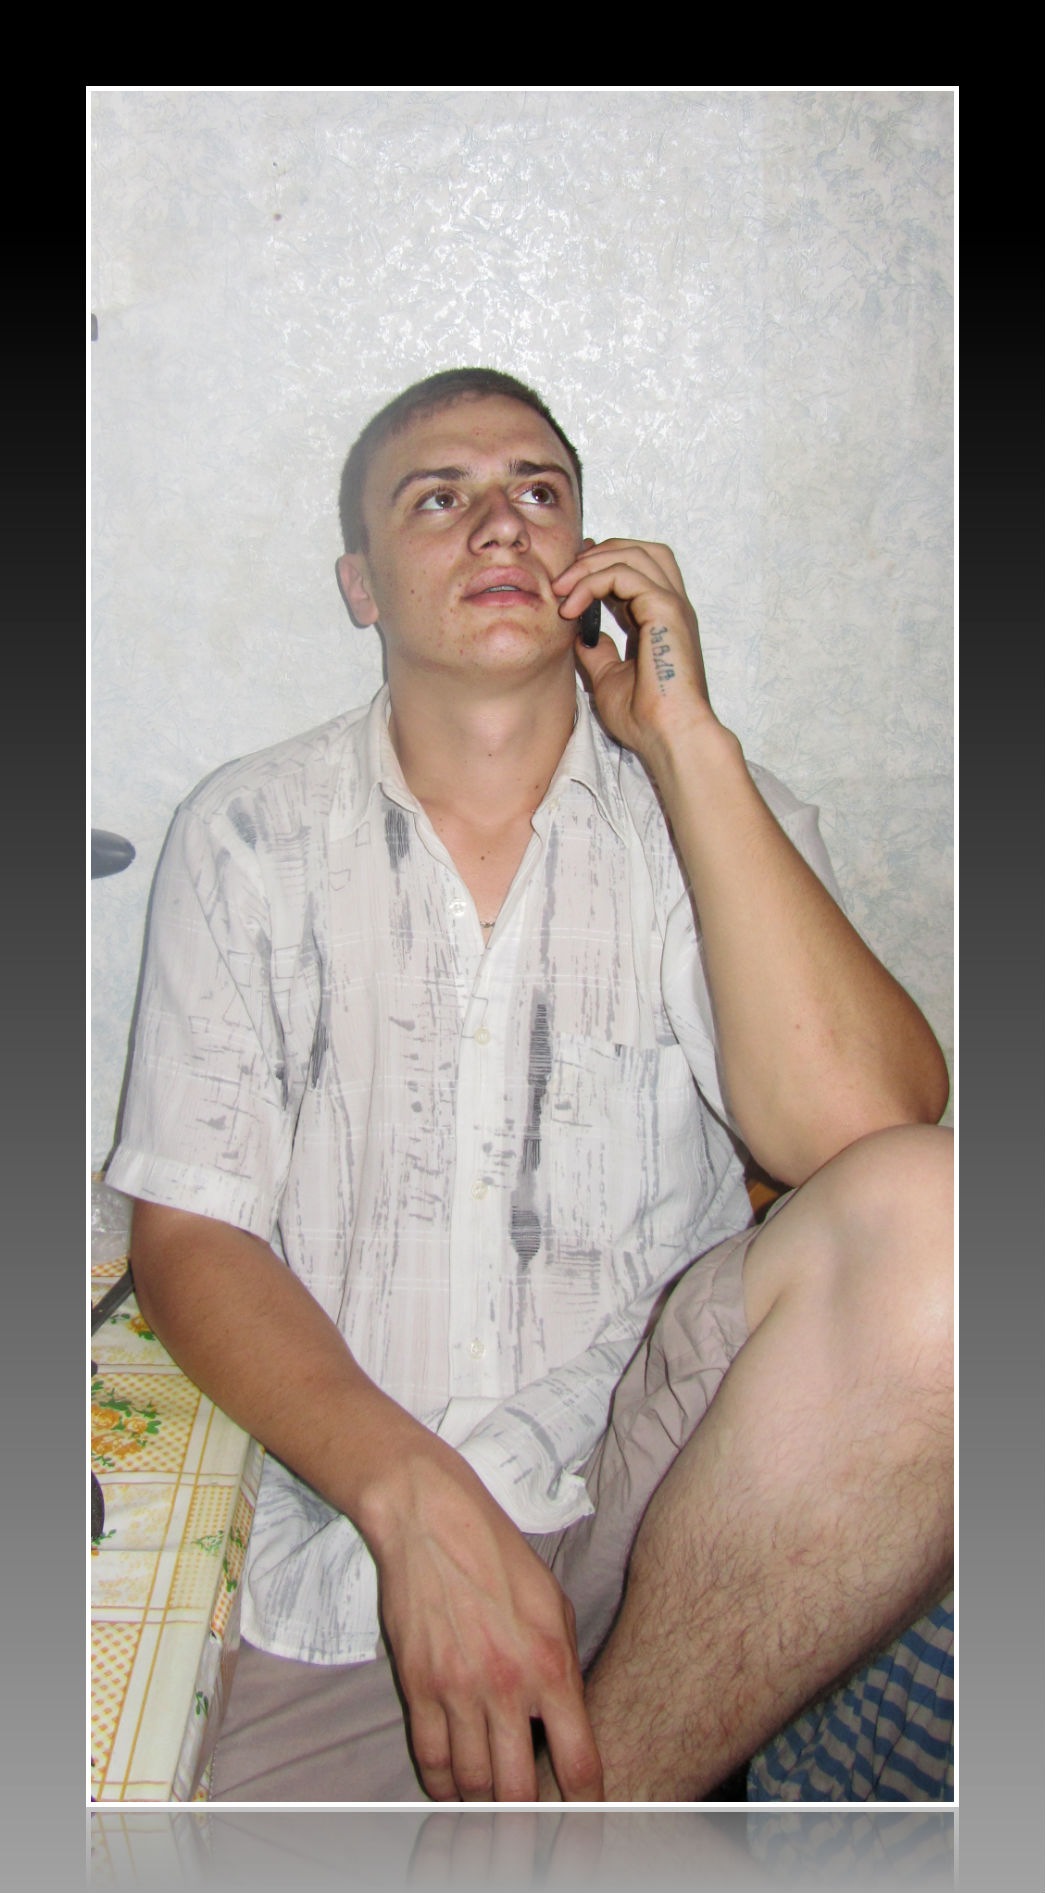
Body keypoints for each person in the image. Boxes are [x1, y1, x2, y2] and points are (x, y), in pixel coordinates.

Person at [106, 367, 953, 1803]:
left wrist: (684, 740)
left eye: (537, 493)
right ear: (360, 586)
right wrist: (412, 1498)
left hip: (665, 1513)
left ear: (587, 560)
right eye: (439, 498)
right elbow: (191, 1230)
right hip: (351, 1552)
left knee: (949, 1228)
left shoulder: (709, 813)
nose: (499, 524)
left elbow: (867, 1141)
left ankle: (599, 1819)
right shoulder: (248, 832)